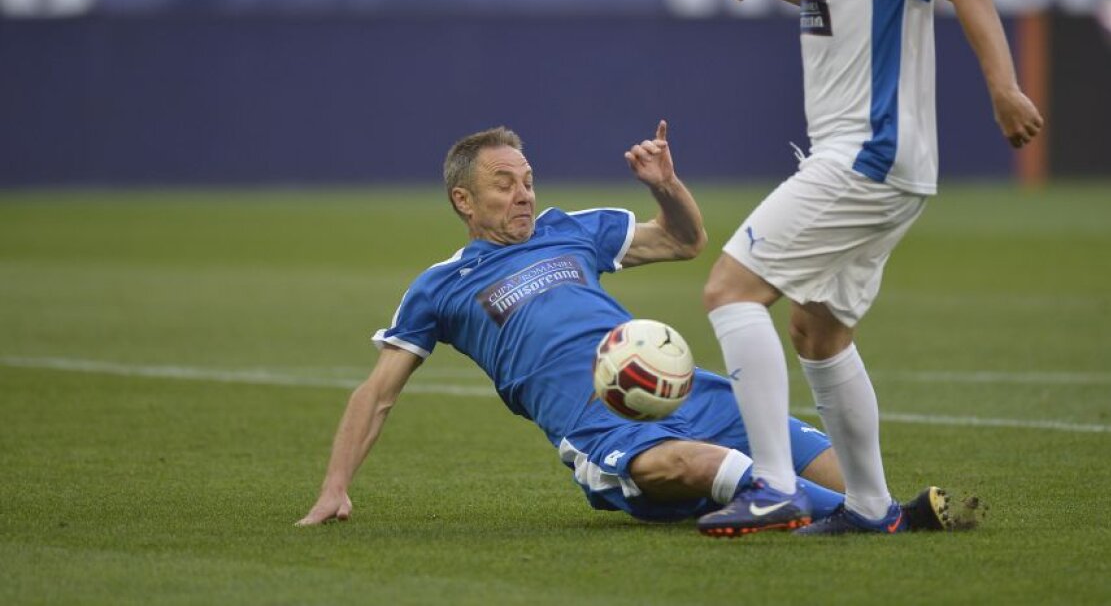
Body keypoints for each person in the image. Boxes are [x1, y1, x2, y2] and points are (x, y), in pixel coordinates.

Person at [296, 121, 948, 530]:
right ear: (463, 200)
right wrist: (335, 488)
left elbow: (686, 241)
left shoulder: (567, 229)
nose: (523, 193)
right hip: (598, 422)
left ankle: (868, 503)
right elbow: (377, 392)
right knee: (679, 462)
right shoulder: (441, 285)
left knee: (811, 451)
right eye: (504, 184)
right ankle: (868, 518)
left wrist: (666, 185)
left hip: (681, 387)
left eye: (526, 180)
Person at [696, 0, 1043, 537]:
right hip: (883, 167)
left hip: (865, 157)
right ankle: (867, 506)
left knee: (730, 289)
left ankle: (774, 484)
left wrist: (1006, 89)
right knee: (818, 331)